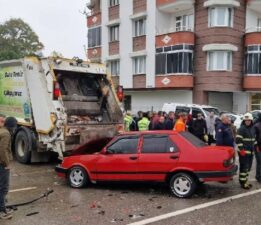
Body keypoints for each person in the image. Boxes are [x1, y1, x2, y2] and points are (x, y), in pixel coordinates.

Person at [0, 115, 17, 220]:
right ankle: (2, 211)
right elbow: (2, 150)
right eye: (14, 126)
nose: (14, 129)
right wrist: (6, 164)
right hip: (2, 165)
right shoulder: (6, 134)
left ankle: (3, 207)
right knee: (3, 188)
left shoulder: (2, 130)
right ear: (11, 126)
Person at [236, 113, 256, 189]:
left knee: (248, 168)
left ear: (251, 121)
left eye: (249, 120)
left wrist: (256, 146)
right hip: (244, 152)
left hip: (250, 152)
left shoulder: (252, 128)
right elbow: (238, 140)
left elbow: (253, 139)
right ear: (244, 121)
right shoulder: (241, 129)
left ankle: (246, 181)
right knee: (244, 168)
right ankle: (243, 183)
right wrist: (241, 150)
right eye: (246, 120)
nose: (247, 122)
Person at [254, 112, 261, 182]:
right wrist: (256, 146)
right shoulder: (256, 126)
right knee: (259, 162)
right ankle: (258, 176)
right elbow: (254, 138)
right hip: (258, 147)